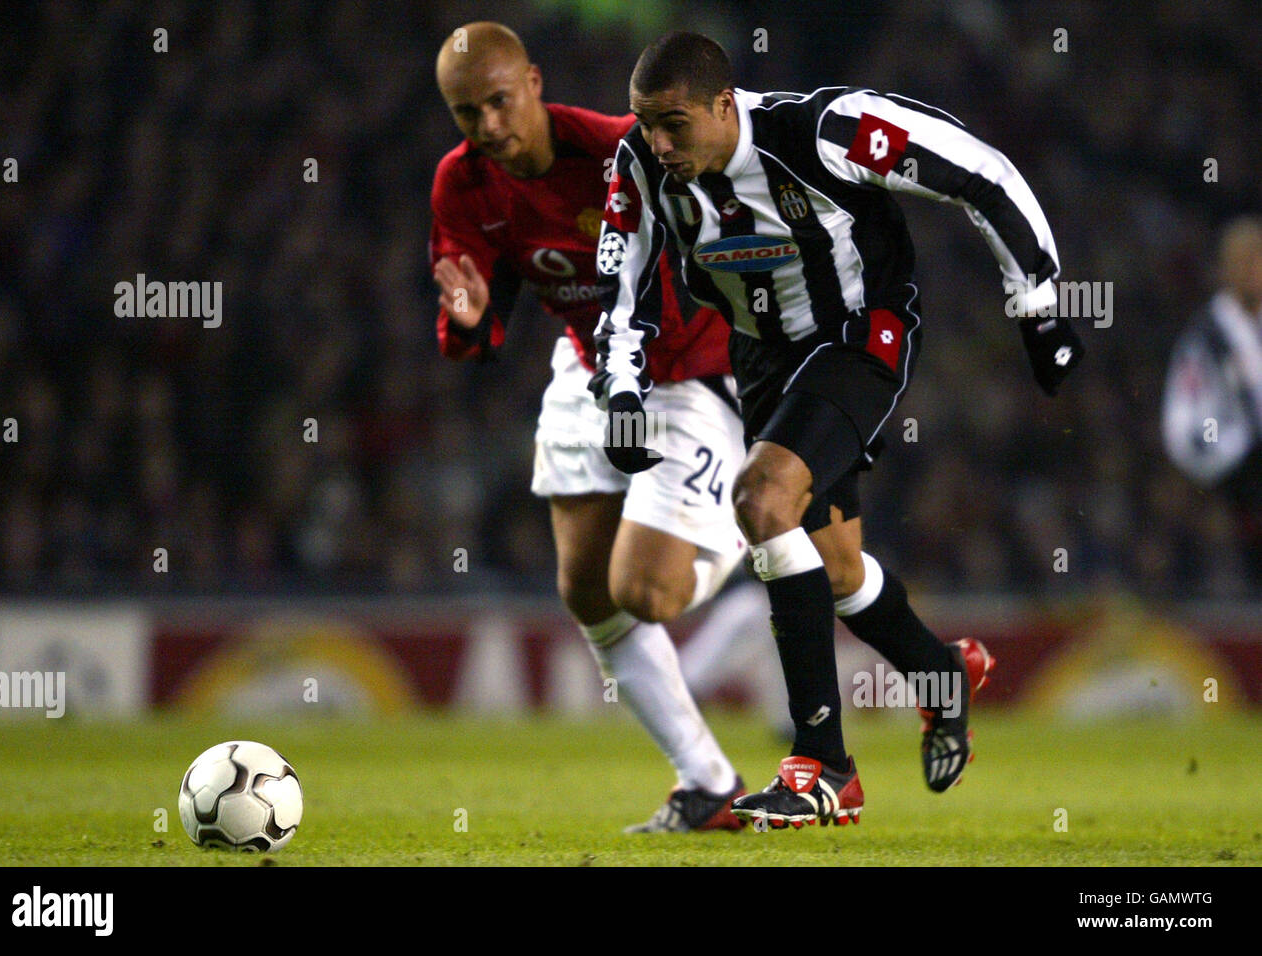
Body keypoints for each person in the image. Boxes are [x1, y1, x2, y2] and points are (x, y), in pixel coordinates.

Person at [591, 32, 1082, 828]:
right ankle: (939, 675)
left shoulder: (825, 132)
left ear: (724, 105)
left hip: (861, 334)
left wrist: (1037, 306)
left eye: (674, 123)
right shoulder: (639, 165)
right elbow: (619, 283)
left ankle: (822, 765)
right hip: (761, 357)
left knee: (761, 502)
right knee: (837, 566)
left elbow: (983, 173)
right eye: (645, 123)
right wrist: (620, 391)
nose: (658, 142)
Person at [429, 22, 752, 832]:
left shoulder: (622, 152)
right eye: (467, 114)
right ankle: (707, 783)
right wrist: (468, 319)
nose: (488, 127)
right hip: (588, 364)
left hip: (687, 370)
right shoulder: (460, 185)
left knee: (647, 592)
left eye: (499, 102)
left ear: (533, 84)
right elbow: (480, 322)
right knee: (585, 590)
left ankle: (753, 540)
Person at [1162, 216, 1262, 585]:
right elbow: (1183, 427)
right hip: (1234, 488)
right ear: (1227, 269)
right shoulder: (1207, 338)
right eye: (1247, 261)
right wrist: (1234, 454)